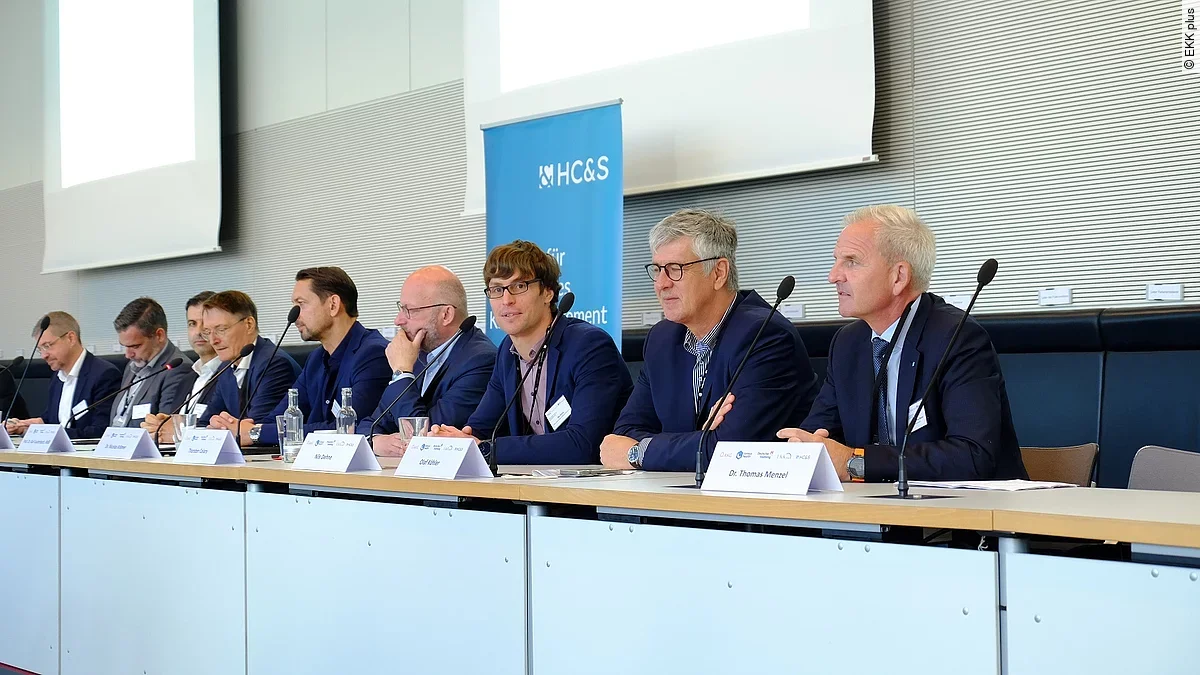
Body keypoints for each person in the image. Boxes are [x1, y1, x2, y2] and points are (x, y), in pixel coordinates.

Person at [778, 205, 1027, 482]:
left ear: (899, 277)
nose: (833, 275)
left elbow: (972, 455)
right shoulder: (848, 344)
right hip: (870, 514)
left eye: (851, 262)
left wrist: (855, 463)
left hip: (965, 517)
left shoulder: (958, 338)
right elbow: (818, 435)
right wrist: (803, 450)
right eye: (836, 260)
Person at [600, 209, 819, 471]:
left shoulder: (766, 335)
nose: (661, 284)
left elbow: (733, 451)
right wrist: (701, 441)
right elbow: (625, 431)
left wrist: (638, 453)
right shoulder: (661, 339)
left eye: (674, 269)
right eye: (657, 270)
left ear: (718, 273)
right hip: (671, 495)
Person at [431, 240, 633, 464]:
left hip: (597, 489)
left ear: (547, 292)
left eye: (519, 286)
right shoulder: (507, 354)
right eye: (497, 289)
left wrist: (484, 450)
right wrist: (451, 440)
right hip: (536, 487)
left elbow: (582, 444)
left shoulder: (589, 346)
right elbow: (480, 429)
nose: (506, 300)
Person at [209, 269, 390, 447]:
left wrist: (256, 433)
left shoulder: (373, 355)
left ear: (333, 305)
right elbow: (281, 415)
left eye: (301, 304)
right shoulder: (316, 358)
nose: (294, 315)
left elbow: (349, 429)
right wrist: (238, 427)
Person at [357, 266, 495, 457]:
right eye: (400, 309)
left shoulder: (480, 361)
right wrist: (375, 442)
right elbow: (369, 424)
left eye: (409, 310)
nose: (398, 320)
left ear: (446, 315)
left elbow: (426, 437)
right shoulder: (417, 353)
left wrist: (402, 373)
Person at [194, 291, 300, 432]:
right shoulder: (226, 367)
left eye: (221, 329)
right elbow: (206, 422)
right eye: (207, 332)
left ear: (249, 324)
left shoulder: (275, 364)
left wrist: (221, 427)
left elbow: (257, 428)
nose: (213, 340)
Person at [4, 312, 121, 439]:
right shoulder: (57, 377)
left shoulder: (104, 374)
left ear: (71, 338)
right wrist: (25, 426)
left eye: (47, 346)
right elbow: (51, 420)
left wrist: (44, 434)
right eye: (40, 349)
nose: (44, 355)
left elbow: (100, 431)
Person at [142, 291, 221, 442]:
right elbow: (171, 427)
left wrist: (176, 431)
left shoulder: (230, 374)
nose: (198, 332)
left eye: (204, 323)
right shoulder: (188, 379)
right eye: (192, 324)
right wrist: (160, 426)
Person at [109, 297, 195, 428]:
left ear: (159, 335)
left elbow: (163, 429)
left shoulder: (177, 369)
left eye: (135, 346)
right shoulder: (132, 365)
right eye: (124, 346)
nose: (128, 354)